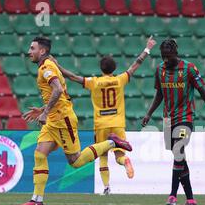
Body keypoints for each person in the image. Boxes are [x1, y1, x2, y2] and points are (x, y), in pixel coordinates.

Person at [14, 37, 132, 205]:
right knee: (39, 154)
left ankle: (112, 142)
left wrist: (45, 112)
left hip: (62, 119)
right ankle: (36, 200)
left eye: (32, 48)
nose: (29, 51)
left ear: (42, 51)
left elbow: (58, 90)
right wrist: (43, 109)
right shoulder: (46, 66)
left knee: (75, 161)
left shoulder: (46, 67)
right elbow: (58, 93)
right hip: (53, 119)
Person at [50, 36, 157, 195]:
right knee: (119, 154)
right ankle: (124, 161)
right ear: (114, 69)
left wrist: (57, 66)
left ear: (101, 69)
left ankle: (106, 187)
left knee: (102, 155)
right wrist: (147, 49)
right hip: (118, 123)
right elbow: (136, 65)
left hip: (101, 124)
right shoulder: (120, 80)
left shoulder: (95, 82)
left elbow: (72, 77)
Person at [141, 39, 205, 205]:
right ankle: (190, 199)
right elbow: (160, 95)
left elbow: (204, 93)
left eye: (168, 56)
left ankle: (172, 195)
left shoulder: (189, 68)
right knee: (179, 158)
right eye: (163, 56)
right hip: (168, 120)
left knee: (179, 150)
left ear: (175, 53)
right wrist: (149, 113)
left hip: (185, 118)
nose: (165, 59)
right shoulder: (159, 70)